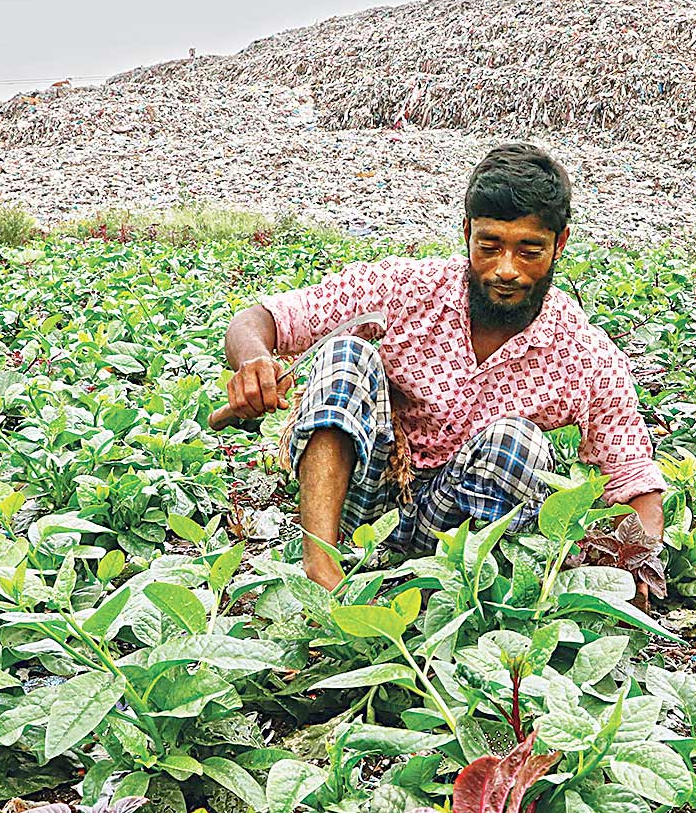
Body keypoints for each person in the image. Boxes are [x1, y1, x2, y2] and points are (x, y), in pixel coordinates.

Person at [220, 144, 665, 593]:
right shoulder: (406, 289)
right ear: (467, 232)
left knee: (517, 442)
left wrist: (641, 562)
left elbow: (632, 477)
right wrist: (254, 360)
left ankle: (458, 592)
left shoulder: (582, 351)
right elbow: (263, 319)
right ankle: (322, 569)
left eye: (529, 251)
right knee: (344, 357)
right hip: (368, 501)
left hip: (459, 529)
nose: (506, 269)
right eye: (489, 247)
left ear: (559, 244)